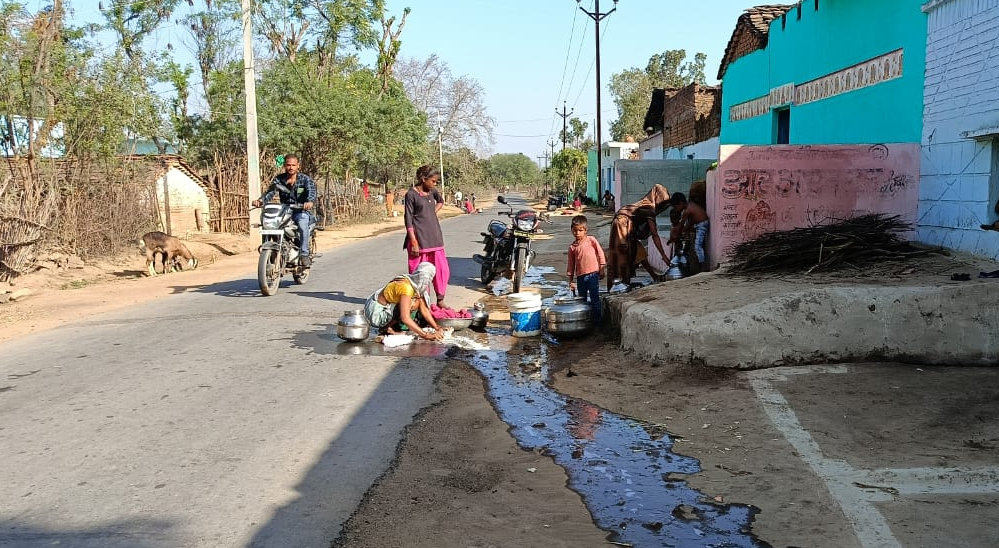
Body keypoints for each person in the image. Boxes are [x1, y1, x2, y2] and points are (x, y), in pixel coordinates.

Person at [253, 154, 316, 267]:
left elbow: (311, 192)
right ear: (284, 166)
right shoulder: (279, 179)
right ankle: (270, 251)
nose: (290, 167)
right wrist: (261, 201)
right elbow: (270, 192)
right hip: (284, 211)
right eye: (288, 165)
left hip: (300, 211)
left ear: (298, 166)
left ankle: (304, 254)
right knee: (269, 226)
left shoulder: (305, 179)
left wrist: (309, 201)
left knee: (303, 224)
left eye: (293, 165)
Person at [606, 184, 671, 290]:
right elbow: (655, 235)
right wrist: (663, 255)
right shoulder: (648, 208)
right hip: (622, 225)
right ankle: (619, 285)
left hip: (626, 227)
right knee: (621, 255)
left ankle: (626, 282)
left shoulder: (645, 204)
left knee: (637, 251)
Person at [404, 164, 450, 307]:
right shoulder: (411, 194)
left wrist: (431, 213)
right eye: (433, 181)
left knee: (442, 269)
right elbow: (408, 219)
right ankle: (422, 302)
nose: (434, 184)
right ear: (424, 179)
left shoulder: (432, 191)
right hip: (419, 239)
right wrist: (414, 241)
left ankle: (440, 299)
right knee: (420, 273)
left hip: (435, 237)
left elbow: (441, 201)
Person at [364, 262, 444, 341]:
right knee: (413, 304)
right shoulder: (406, 287)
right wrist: (426, 335)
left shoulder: (414, 285)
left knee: (418, 300)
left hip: (387, 308)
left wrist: (437, 327)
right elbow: (405, 318)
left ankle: (395, 328)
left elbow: (424, 310)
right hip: (377, 314)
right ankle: (385, 329)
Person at [567, 215, 607, 326]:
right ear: (571, 230)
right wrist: (571, 280)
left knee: (595, 300)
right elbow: (571, 265)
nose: (577, 233)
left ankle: (598, 324)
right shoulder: (572, 247)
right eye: (575, 231)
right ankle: (585, 323)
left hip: (593, 275)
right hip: (580, 278)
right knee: (582, 302)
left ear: (585, 230)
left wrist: (602, 267)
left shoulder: (591, 240)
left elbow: (600, 253)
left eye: (580, 230)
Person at [668, 192, 710, 273]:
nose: (676, 209)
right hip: (698, 224)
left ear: (680, 203)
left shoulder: (686, 211)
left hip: (702, 225)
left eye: (676, 207)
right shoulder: (690, 205)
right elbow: (689, 223)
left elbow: (681, 225)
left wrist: (678, 233)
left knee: (698, 246)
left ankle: (703, 266)